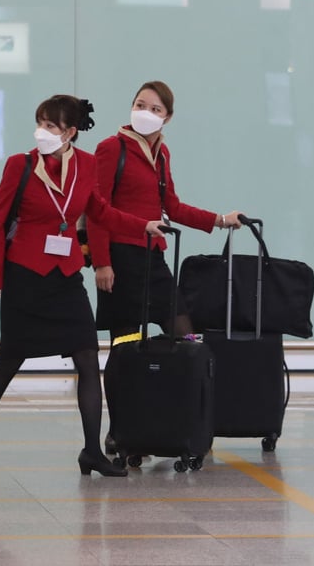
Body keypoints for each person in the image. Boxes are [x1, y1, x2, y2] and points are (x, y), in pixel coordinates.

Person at [0, 95, 165, 477]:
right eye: (40, 123)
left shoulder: (87, 166)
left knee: (88, 357)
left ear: (71, 132)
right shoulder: (19, 166)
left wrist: (143, 224)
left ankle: (92, 450)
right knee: (10, 362)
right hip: (25, 275)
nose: (43, 132)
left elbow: (100, 211)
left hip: (67, 275)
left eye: (52, 126)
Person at [87, 81, 242, 455]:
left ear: (167, 117)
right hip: (121, 258)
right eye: (140, 104)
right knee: (123, 347)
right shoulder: (111, 148)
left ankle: (180, 419)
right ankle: (120, 428)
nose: (145, 111)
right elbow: (96, 208)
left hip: (152, 256)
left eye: (155, 108)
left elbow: (171, 204)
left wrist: (219, 219)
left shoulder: (161, 154)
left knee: (183, 334)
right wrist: (102, 262)